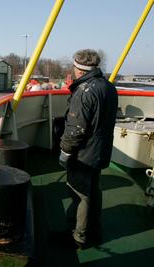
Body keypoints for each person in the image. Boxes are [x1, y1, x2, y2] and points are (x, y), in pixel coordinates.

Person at [58, 49, 118, 248]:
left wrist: (65, 152)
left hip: (83, 155)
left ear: (79, 69)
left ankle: (78, 238)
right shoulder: (108, 87)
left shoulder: (84, 91)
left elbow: (76, 130)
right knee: (94, 192)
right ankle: (94, 231)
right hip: (100, 152)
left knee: (80, 195)